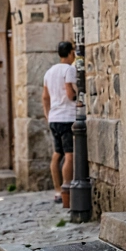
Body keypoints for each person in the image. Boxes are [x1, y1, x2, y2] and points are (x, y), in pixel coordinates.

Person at [43, 41, 78, 206]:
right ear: (71, 53)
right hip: (67, 117)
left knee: (57, 155)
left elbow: (45, 96)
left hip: (54, 118)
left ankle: (57, 191)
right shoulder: (69, 69)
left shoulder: (49, 72)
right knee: (69, 155)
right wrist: (78, 96)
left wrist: (47, 114)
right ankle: (67, 190)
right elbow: (70, 94)